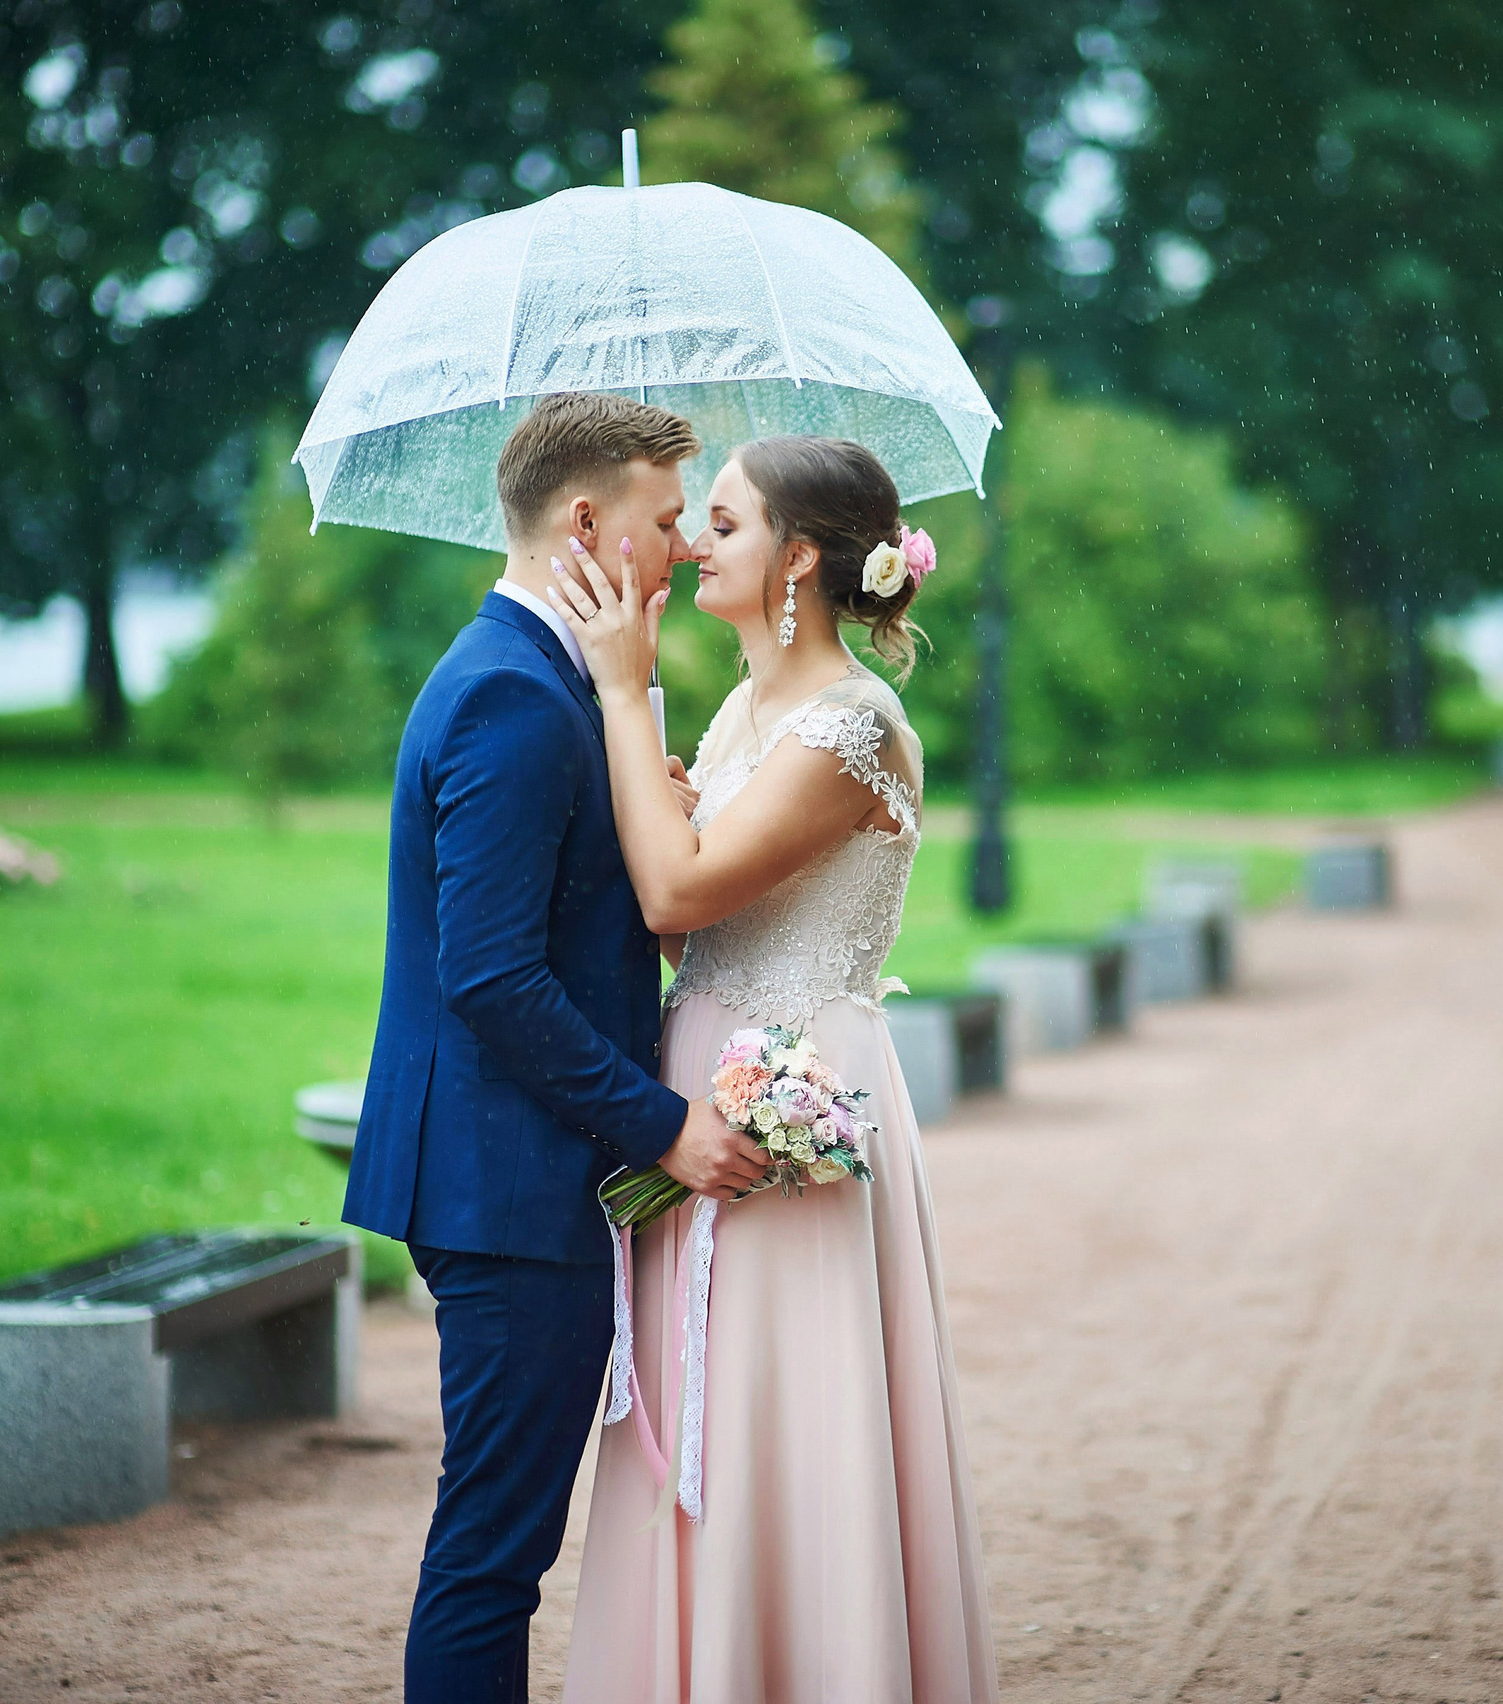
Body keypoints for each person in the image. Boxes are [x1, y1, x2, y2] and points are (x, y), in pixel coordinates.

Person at [546, 435, 998, 1703]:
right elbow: (689, 930)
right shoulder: (747, 713)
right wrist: (664, 790)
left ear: (797, 558)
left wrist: (624, 694)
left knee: (791, 1410)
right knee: (702, 1411)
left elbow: (674, 890)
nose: (695, 542)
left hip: (796, 1092)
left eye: (726, 522)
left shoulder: (853, 728)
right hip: (700, 1077)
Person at [344, 391, 772, 1704]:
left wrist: (642, 810)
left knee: (499, 1542)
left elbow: (557, 914)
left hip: (516, 1177)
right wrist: (663, 1125)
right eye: (665, 517)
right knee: (493, 1556)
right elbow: (490, 978)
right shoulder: (511, 697)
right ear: (584, 522)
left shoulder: (543, 681)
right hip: (506, 1188)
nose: (686, 544)